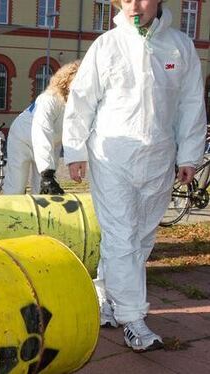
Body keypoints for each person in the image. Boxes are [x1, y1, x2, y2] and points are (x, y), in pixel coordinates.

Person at [63, 0, 206, 352]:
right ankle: (133, 320)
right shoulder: (107, 45)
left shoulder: (179, 46)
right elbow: (81, 99)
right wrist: (75, 149)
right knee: (123, 235)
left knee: (140, 238)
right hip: (112, 156)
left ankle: (105, 295)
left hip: (159, 158)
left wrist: (189, 154)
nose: (133, 6)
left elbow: (191, 103)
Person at [1, 60, 80, 194]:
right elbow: (42, 131)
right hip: (22, 139)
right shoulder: (50, 99)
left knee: (43, 191)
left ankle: (40, 214)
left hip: (51, 143)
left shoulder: (80, 105)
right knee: (16, 185)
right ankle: (8, 213)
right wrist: (47, 173)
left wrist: (76, 157)